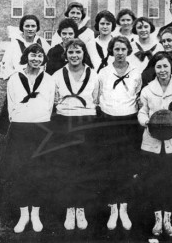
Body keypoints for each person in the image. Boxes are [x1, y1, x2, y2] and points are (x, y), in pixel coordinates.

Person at [0, 44, 55, 233]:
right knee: (21, 171)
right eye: (33, 55)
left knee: (38, 172)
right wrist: (20, 121)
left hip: (40, 129)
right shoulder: (14, 79)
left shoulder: (49, 79)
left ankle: (35, 214)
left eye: (40, 56)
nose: (36, 59)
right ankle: (24, 215)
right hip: (20, 130)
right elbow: (11, 106)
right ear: (26, 56)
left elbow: (49, 106)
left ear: (44, 59)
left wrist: (39, 121)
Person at [138, 51, 172, 237]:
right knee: (153, 180)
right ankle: (157, 218)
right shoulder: (147, 90)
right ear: (154, 68)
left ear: (171, 68)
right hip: (151, 143)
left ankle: (168, 218)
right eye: (159, 66)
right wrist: (146, 122)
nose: (162, 70)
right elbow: (142, 111)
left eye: (166, 66)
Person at [52, 39, 99, 230]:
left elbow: (95, 99)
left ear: (83, 53)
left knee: (84, 166)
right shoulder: (57, 75)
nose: (74, 56)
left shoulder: (93, 74)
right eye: (70, 52)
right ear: (66, 54)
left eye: (78, 52)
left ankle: (81, 209)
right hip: (65, 122)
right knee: (67, 166)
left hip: (86, 123)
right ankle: (69, 209)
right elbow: (55, 100)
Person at [97, 36, 142, 231]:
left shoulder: (136, 72)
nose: (120, 52)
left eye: (123, 49)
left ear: (128, 51)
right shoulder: (104, 73)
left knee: (126, 165)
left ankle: (123, 207)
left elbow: (138, 95)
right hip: (108, 123)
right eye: (116, 49)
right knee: (110, 164)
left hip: (129, 123)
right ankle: (112, 208)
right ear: (111, 51)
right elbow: (96, 96)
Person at [1, 14, 50, 80]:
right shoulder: (13, 44)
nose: (30, 29)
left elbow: (50, 60)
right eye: (27, 26)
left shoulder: (42, 42)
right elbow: (6, 66)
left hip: (39, 80)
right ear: (22, 27)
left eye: (33, 26)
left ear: (37, 28)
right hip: (20, 80)